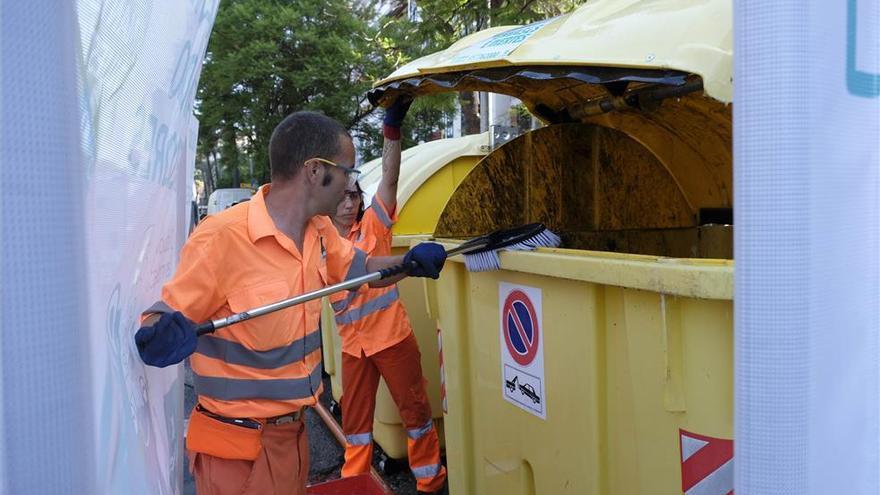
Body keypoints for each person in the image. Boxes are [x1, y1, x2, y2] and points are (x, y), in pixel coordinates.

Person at [133, 111, 447, 495]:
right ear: (315, 171)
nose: (350, 184)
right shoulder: (222, 238)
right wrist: (159, 336)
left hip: (293, 436)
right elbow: (160, 318)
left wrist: (409, 262)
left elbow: (362, 269)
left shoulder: (319, 232)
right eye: (347, 171)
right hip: (238, 452)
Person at [328, 98, 447, 495]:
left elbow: (391, 180)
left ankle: (431, 482)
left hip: (392, 339)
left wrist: (391, 130)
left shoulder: (374, 224)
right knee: (357, 429)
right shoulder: (320, 240)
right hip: (353, 347)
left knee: (416, 414)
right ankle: (355, 485)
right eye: (342, 197)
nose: (349, 202)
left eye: (354, 195)